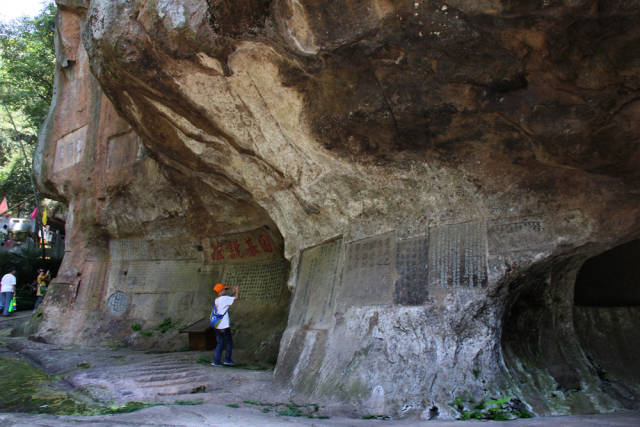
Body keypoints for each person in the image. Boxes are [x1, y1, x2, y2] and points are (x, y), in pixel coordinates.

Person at [211, 283, 239, 367]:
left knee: (220, 343)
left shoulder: (217, 299)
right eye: (224, 290)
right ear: (220, 291)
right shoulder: (225, 298)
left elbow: (228, 299)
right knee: (229, 342)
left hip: (217, 325)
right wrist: (237, 291)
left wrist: (232, 293)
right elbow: (236, 298)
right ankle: (228, 360)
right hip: (224, 325)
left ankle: (216, 361)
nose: (225, 291)